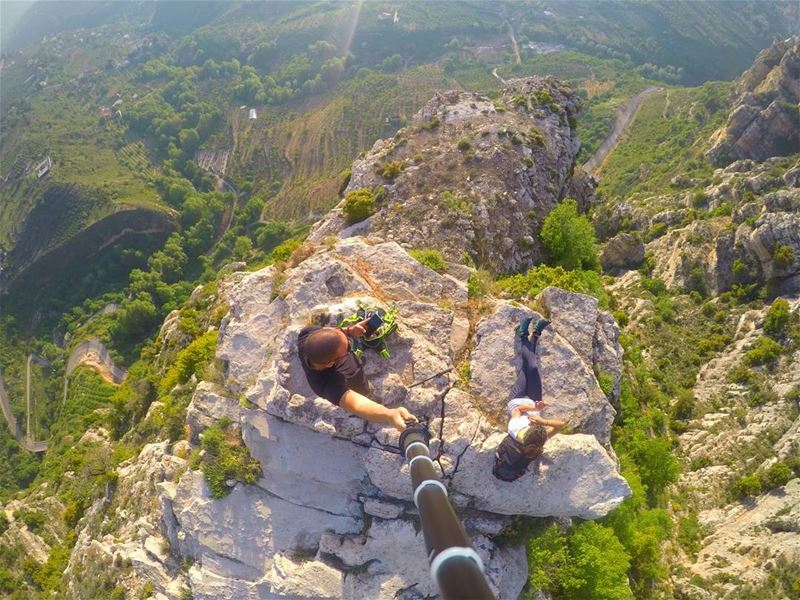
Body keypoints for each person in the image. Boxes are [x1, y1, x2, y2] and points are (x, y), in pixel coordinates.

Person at [297, 319, 417, 431]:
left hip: (343, 369)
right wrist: (390, 415)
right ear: (330, 364)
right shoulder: (328, 385)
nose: (350, 344)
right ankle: (367, 393)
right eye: (348, 349)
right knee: (364, 392)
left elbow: (332, 334)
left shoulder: (307, 335)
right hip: (355, 384)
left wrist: (349, 331)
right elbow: (358, 404)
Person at [493, 317, 566, 482]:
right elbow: (561, 424)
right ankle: (534, 335)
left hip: (517, 401)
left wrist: (533, 410)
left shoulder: (515, 428)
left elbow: (518, 410)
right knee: (532, 368)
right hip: (534, 403)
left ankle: (525, 336)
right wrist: (542, 419)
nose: (535, 424)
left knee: (528, 368)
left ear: (527, 432)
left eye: (534, 426)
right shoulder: (537, 441)